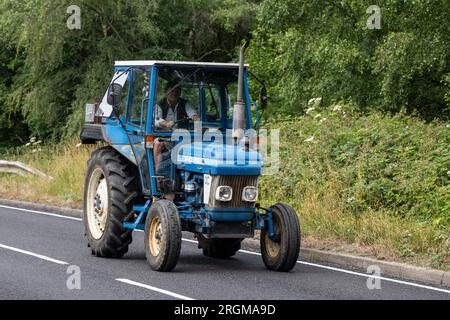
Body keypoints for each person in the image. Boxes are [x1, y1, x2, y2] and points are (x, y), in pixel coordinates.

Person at [153, 81, 200, 178]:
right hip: (166, 137)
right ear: (166, 92)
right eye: (172, 91)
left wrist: (196, 120)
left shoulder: (185, 103)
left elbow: (194, 115)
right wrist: (166, 123)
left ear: (180, 92)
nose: (174, 93)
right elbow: (156, 120)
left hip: (182, 138)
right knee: (157, 143)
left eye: (177, 91)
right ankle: (156, 173)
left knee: (198, 146)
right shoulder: (160, 105)